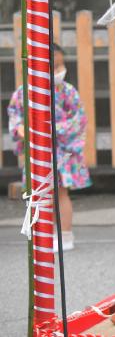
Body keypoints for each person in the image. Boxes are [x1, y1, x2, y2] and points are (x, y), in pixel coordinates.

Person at [7, 45, 90, 251]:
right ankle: (41, 237)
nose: (57, 70)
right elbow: (15, 115)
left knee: (61, 193)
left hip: (62, 150)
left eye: (60, 65)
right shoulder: (23, 92)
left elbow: (79, 119)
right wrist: (21, 129)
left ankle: (66, 235)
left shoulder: (68, 91)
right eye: (52, 66)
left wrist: (51, 129)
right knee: (40, 193)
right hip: (37, 150)